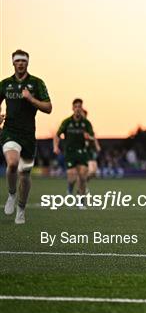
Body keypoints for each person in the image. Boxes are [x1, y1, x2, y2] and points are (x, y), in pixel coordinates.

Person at [0, 50, 52, 224]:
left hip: (28, 135)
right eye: (17, 61)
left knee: (25, 173)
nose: (20, 63)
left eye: (23, 60)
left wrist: (31, 99)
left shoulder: (37, 83)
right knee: (13, 163)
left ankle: (21, 209)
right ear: (13, 63)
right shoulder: (5, 84)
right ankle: (12, 194)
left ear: (27, 63)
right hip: (10, 132)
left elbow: (48, 107)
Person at [53, 98, 95, 207]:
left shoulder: (86, 123)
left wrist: (89, 137)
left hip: (82, 153)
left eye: (79, 106)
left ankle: (81, 202)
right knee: (71, 177)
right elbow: (57, 135)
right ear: (72, 108)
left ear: (81, 108)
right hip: (70, 153)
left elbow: (92, 137)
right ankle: (69, 189)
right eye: (75, 106)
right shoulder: (67, 122)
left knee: (82, 177)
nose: (77, 109)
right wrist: (56, 147)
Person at [82, 109, 101, 185]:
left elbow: (93, 136)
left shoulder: (88, 125)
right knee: (91, 170)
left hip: (90, 150)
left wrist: (97, 145)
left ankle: (82, 184)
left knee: (94, 172)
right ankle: (81, 185)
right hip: (83, 151)